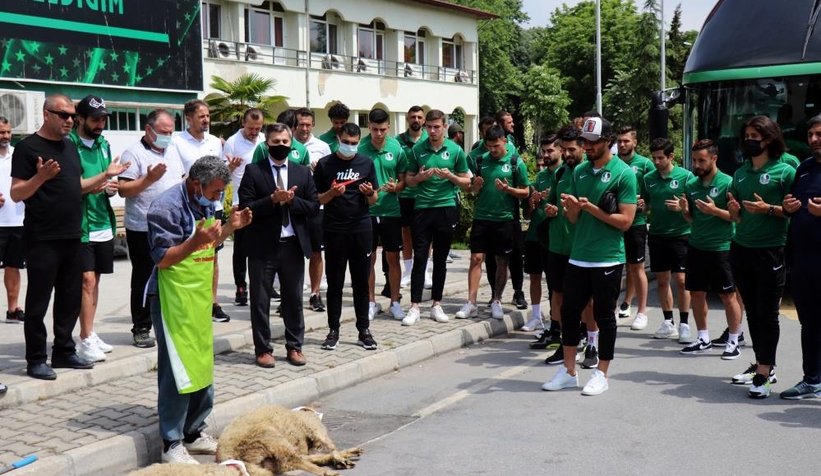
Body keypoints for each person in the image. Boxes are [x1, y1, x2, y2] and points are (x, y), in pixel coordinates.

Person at [146, 155, 252, 464]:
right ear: (196, 184)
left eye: (221, 192)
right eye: (215, 191)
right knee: (177, 368)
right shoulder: (165, 208)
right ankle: (171, 442)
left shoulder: (206, 201)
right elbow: (163, 259)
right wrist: (195, 241)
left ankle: (193, 432)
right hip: (170, 299)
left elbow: (209, 244)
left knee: (201, 363)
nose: (218, 198)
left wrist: (230, 227)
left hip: (197, 296)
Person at [11, 94, 123, 380]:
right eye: (64, 115)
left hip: (74, 235)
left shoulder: (69, 147)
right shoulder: (27, 148)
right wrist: (40, 178)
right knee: (38, 302)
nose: (70, 120)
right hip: (43, 237)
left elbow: (77, 186)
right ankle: (36, 359)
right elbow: (16, 193)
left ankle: (63, 350)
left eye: (72, 115)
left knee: (69, 298)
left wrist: (105, 177)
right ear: (46, 114)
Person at [542, 117, 637, 396]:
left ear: (608, 141)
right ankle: (569, 371)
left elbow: (626, 221)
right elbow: (573, 219)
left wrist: (592, 209)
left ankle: (601, 374)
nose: (588, 146)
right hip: (579, 255)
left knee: (604, 316)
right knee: (570, 313)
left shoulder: (624, 174)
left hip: (607, 257)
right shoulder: (580, 171)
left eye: (593, 142)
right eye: (585, 141)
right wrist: (571, 208)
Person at [239, 123, 318, 368]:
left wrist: (292, 202)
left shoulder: (302, 172)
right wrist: (272, 200)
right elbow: (246, 206)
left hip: (293, 245)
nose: (280, 146)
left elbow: (313, 206)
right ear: (267, 144)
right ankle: (263, 349)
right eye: (275, 142)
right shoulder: (254, 170)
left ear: (291, 144)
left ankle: (295, 346)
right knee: (260, 301)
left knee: (293, 299)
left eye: (285, 142)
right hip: (263, 247)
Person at [727, 115, 795, 399]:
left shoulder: (785, 171)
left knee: (767, 314)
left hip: (771, 250)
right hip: (741, 248)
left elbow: (794, 212)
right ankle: (762, 363)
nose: (749, 141)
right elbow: (737, 216)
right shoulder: (740, 173)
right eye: (747, 136)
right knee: (753, 312)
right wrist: (734, 212)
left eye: (755, 137)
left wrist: (768, 208)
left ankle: (764, 373)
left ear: (769, 139)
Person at [119, 109, 185, 349]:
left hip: (172, 226)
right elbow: (123, 190)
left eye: (171, 132)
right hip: (143, 227)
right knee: (144, 278)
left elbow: (181, 181)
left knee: (172, 275)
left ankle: (168, 323)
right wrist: (148, 180)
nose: (168, 136)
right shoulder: (134, 153)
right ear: (148, 129)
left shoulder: (173, 149)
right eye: (163, 132)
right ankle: (141, 327)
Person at [313, 123, 379, 350]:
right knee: (335, 283)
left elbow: (374, 199)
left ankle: (364, 330)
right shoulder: (325, 164)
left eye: (354, 143)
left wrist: (369, 193)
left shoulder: (366, 163)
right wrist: (332, 193)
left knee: (361, 282)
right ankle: (333, 330)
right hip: (334, 229)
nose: (350, 146)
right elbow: (317, 199)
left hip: (361, 228)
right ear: (338, 140)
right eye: (346, 142)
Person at [69, 95, 125, 363]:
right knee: (86, 281)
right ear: (80, 118)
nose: (100, 124)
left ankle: (89, 332)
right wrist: (104, 179)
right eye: (95, 119)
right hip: (82, 224)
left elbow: (106, 183)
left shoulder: (104, 144)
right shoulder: (70, 145)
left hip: (103, 221)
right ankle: (84, 337)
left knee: (96, 281)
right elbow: (73, 186)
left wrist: (111, 187)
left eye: (103, 119)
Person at [676, 139, 743, 359]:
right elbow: (691, 219)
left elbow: (736, 217)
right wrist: (684, 210)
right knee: (696, 293)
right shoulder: (691, 185)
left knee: (728, 296)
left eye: (701, 160)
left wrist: (715, 211)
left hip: (722, 248)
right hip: (696, 247)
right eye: (694, 160)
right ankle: (703, 338)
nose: (697, 165)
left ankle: (734, 340)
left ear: (714, 158)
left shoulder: (728, 183)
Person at [456, 125, 529, 321]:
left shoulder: (515, 162)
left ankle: (497, 299)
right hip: (481, 217)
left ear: (504, 141)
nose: (493, 150)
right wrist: (474, 186)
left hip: (505, 220)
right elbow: (471, 190)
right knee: (476, 258)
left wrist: (508, 190)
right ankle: (471, 302)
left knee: (501, 261)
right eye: (489, 146)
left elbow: (525, 191)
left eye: (496, 145)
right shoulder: (480, 161)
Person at [403, 110, 470, 325]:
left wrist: (451, 176)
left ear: (444, 127)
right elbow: (408, 179)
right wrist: (419, 177)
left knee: (440, 258)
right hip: (422, 208)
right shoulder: (417, 150)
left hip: (446, 207)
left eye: (436, 127)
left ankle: (436, 304)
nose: (432, 131)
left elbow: (467, 181)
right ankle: (414, 306)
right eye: (429, 127)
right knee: (420, 257)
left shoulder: (455, 150)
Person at [171, 99, 229, 323]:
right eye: (201, 116)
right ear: (189, 118)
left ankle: (212, 303)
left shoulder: (214, 142)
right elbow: (177, 174)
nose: (206, 120)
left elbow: (221, 172)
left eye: (208, 116)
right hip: (189, 207)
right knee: (190, 255)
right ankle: (191, 301)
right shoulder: (176, 142)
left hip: (213, 206)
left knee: (212, 256)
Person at [781, 114, 821, 399]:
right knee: (810, 322)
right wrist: (788, 205)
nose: (814, 140)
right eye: (810, 135)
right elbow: (791, 205)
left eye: (819, 134)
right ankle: (812, 380)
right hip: (804, 259)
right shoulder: (805, 168)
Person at [643, 137, 694, 342]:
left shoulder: (686, 177)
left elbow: (694, 207)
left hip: (681, 234)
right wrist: (642, 206)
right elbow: (646, 203)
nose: (656, 162)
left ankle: (684, 324)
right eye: (654, 158)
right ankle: (668, 322)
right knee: (662, 280)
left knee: (681, 280)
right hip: (657, 235)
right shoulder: (648, 178)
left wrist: (683, 208)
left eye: (660, 158)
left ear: (671, 156)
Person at [359, 108, 407, 321]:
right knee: (368, 258)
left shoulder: (396, 148)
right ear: (369, 127)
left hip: (391, 211)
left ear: (388, 127)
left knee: (393, 257)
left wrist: (397, 187)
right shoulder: (360, 148)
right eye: (374, 129)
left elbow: (404, 180)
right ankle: (370, 302)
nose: (378, 134)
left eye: (382, 129)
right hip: (367, 212)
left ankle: (395, 302)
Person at [222, 108, 265, 307]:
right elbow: (222, 174)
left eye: (258, 128)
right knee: (240, 249)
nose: (254, 132)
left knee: (261, 246)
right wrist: (231, 166)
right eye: (250, 128)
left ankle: (263, 284)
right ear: (243, 124)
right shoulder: (232, 143)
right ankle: (241, 285)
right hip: (240, 201)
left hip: (262, 201)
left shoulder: (264, 140)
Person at [614, 126, 653, 330]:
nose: (622, 144)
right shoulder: (612, 163)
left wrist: (645, 204)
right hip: (614, 222)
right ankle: (621, 304)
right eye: (619, 141)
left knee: (636, 267)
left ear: (635, 142)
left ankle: (642, 311)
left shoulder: (645, 164)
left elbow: (655, 192)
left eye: (626, 141)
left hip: (636, 223)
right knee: (616, 265)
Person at [522, 134, 562, 332]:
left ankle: (556, 322)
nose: (546, 155)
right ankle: (536, 316)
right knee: (534, 276)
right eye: (544, 151)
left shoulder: (566, 173)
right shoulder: (540, 176)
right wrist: (534, 200)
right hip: (535, 234)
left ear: (560, 150)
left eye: (550, 151)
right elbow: (529, 212)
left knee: (555, 282)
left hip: (555, 236)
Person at [294, 107, 332, 313]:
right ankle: (290, 296)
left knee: (317, 252)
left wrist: (320, 171)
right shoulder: (287, 144)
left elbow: (331, 178)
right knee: (292, 253)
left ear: (313, 125)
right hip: (293, 206)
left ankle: (315, 294)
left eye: (308, 124)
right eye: (301, 124)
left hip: (317, 206)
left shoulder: (322, 147)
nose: (305, 128)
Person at [396, 106, 428, 288]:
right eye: (413, 117)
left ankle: (425, 271)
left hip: (425, 195)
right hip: (405, 195)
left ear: (424, 120)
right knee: (406, 233)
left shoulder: (429, 139)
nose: (416, 120)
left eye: (419, 117)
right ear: (407, 119)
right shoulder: (398, 140)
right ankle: (408, 271)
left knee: (426, 235)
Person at [0, 116, 25, 324]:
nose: (6, 136)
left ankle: (13, 310)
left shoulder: (18, 155)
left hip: (17, 221)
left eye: (8, 132)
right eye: (1, 132)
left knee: (13, 266)